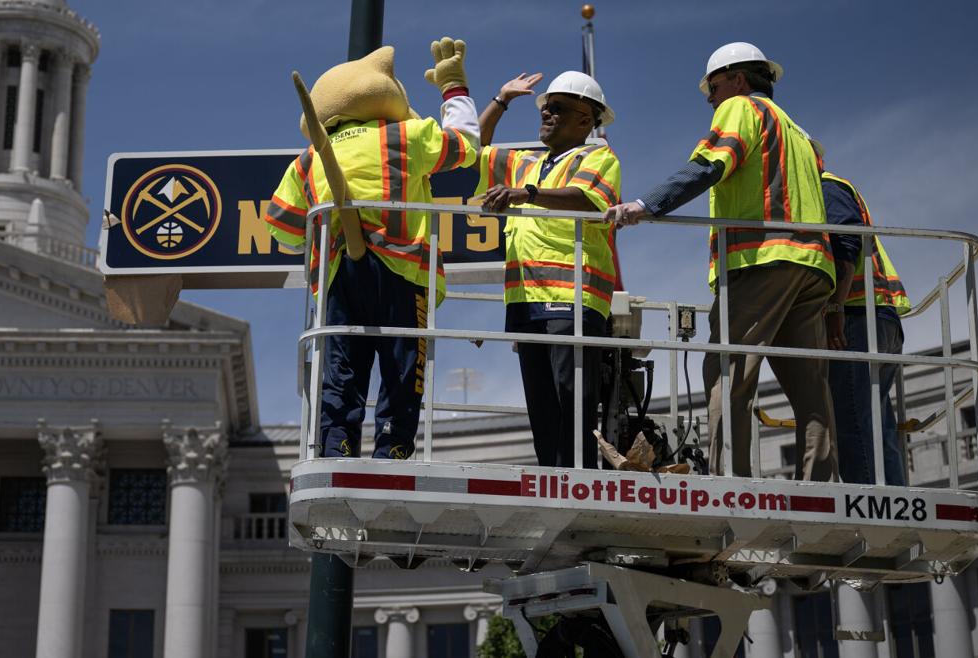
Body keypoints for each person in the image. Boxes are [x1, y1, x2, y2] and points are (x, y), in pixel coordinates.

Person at [606, 42, 837, 481]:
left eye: (712, 87)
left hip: (762, 260)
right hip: (811, 269)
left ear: (737, 79)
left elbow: (711, 163)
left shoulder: (740, 108)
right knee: (810, 389)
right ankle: (820, 486)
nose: (710, 99)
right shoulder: (799, 133)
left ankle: (730, 484)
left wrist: (647, 204)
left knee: (727, 375)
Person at [265, 39, 480, 460]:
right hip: (403, 270)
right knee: (402, 366)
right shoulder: (407, 136)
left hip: (337, 280)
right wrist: (453, 87)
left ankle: (336, 444)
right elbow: (466, 146)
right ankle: (393, 448)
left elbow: (285, 231)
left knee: (342, 365)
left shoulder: (305, 162)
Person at [477, 69, 623, 468]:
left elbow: (588, 199)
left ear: (586, 119)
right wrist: (502, 98)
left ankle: (579, 478)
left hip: (573, 297)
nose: (546, 114)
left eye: (557, 108)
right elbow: (474, 145)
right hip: (526, 300)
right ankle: (552, 476)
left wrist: (528, 193)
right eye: (544, 108)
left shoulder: (597, 156)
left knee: (571, 398)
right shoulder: (526, 164)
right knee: (542, 403)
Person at [819, 158, 910, 485]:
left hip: (857, 318)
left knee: (854, 425)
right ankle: (892, 502)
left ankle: (875, 514)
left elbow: (846, 244)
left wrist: (834, 309)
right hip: (878, 317)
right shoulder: (835, 186)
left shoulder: (825, 186)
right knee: (876, 426)